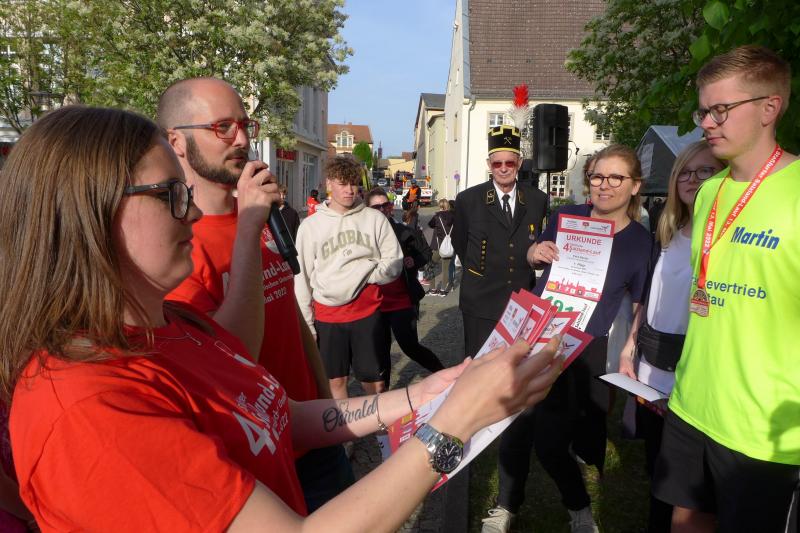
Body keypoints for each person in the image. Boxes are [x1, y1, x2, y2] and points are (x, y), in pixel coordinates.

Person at [0, 105, 564, 532]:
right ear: (91, 212)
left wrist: (424, 397)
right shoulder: (90, 405)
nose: (191, 211)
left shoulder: (176, 324)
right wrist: (453, 424)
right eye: (171, 193)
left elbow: (281, 417)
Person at [157, 78, 351, 512]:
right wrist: (248, 225)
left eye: (245, 125)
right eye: (223, 127)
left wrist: (327, 406)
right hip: (259, 456)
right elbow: (228, 358)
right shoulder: (176, 246)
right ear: (177, 142)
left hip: (315, 437)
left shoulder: (261, 219)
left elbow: (292, 319)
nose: (242, 140)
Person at [651, 45, 800, 533]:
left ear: (769, 107)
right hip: (692, 405)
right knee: (685, 523)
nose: (707, 124)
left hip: (763, 430)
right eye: (704, 111)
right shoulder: (710, 191)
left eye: (720, 110)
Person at [482, 144, 652, 533]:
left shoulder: (640, 242)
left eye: (615, 177)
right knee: (515, 426)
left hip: (582, 348)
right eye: (597, 176)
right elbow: (533, 255)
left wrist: (629, 349)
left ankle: (579, 507)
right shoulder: (566, 216)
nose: (604, 185)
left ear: (634, 185)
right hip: (536, 334)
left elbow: (641, 302)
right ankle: (506, 506)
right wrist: (535, 251)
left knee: (550, 441)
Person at [617, 141, 722, 533]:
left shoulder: (724, 240)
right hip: (652, 367)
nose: (693, 180)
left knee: (685, 486)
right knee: (657, 469)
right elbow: (650, 297)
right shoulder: (668, 231)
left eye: (705, 171)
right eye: (685, 173)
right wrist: (629, 347)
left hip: (692, 375)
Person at [294, 155, 402, 399]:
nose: (349, 190)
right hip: (328, 315)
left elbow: (394, 261)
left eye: (354, 183)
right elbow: (302, 278)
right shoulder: (310, 226)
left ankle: (377, 422)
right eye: (343, 183)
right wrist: (307, 324)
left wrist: (368, 274)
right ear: (329, 183)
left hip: (367, 311)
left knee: (375, 383)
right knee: (335, 381)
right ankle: (342, 423)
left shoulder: (374, 219)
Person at [453, 124, 548, 358]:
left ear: (520, 163)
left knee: (518, 366)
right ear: (489, 164)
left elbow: (538, 241)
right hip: (481, 300)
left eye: (510, 163)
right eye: (497, 164)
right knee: (479, 366)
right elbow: (460, 243)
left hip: (521, 301)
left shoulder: (537, 199)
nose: (503, 169)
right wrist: (481, 269)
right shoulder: (468, 199)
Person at [366, 188, 445, 374]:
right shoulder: (363, 236)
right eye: (376, 207)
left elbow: (426, 253)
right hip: (374, 303)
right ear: (367, 210)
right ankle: (382, 389)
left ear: (391, 207)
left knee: (410, 346)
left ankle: (443, 374)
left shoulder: (406, 231)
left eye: (385, 205)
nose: (382, 210)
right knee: (380, 351)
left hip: (402, 300)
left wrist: (413, 261)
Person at [428, 198, 455, 296]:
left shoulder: (437, 216)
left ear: (440, 206)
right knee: (445, 269)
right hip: (448, 247)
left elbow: (430, 225)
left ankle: (432, 289)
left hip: (438, 246)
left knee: (430, 266)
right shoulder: (454, 216)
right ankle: (443, 291)